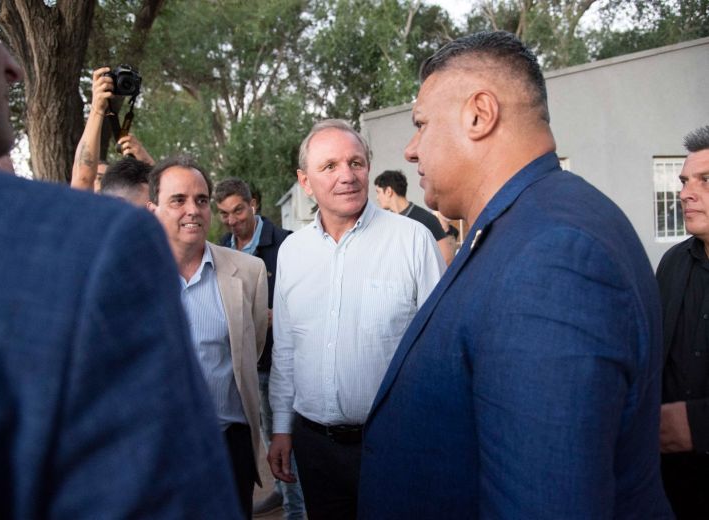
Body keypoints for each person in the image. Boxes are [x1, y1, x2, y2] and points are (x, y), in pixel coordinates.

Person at [0, 1, 240, 518]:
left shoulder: (242, 271)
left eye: (200, 200)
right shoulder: (97, 249)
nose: (12, 66)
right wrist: (95, 111)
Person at [357, 31, 673, 518]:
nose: (411, 149)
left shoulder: (552, 256)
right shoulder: (527, 224)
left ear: (479, 115)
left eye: (420, 124)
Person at [267, 119, 445, 519]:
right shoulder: (293, 252)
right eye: (329, 166)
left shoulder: (412, 240)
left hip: (395, 444)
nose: (347, 175)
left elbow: (438, 349)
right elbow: (288, 349)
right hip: (315, 448)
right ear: (305, 182)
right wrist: (281, 428)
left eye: (356, 162)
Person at [147, 156, 268, 518]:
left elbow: (252, 347)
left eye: (201, 200)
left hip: (228, 449)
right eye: (178, 200)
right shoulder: (130, 275)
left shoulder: (248, 272)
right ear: (152, 209)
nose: (192, 210)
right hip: (158, 448)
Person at [214, 178, 306, 518]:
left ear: (254, 203)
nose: (233, 220)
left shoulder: (286, 244)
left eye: (238, 209)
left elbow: (307, 303)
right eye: (224, 213)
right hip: (244, 366)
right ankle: (282, 494)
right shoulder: (222, 247)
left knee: (285, 441)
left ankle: (297, 510)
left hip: (280, 363)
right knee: (264, 440)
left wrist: (276, 315)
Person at [657, 125, 709, 518]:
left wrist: (696, 422)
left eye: (705, 181)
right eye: (684, 181)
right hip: (672, 485)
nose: (686, 193)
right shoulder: (673, 263)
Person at [71, 66, 154, 192]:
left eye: (106, 179)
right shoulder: (83, 208)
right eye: (98, 178)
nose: (101, 185)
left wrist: (146, 162)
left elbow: (163, 192)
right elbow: (83, 178)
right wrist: (97, 109)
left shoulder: (128, 207)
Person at [374, 169, 455, 264]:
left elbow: (446, 258)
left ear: (388, 191)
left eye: (378, 192)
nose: (377, 198)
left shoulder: (426, 219)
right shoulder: (387, 223)